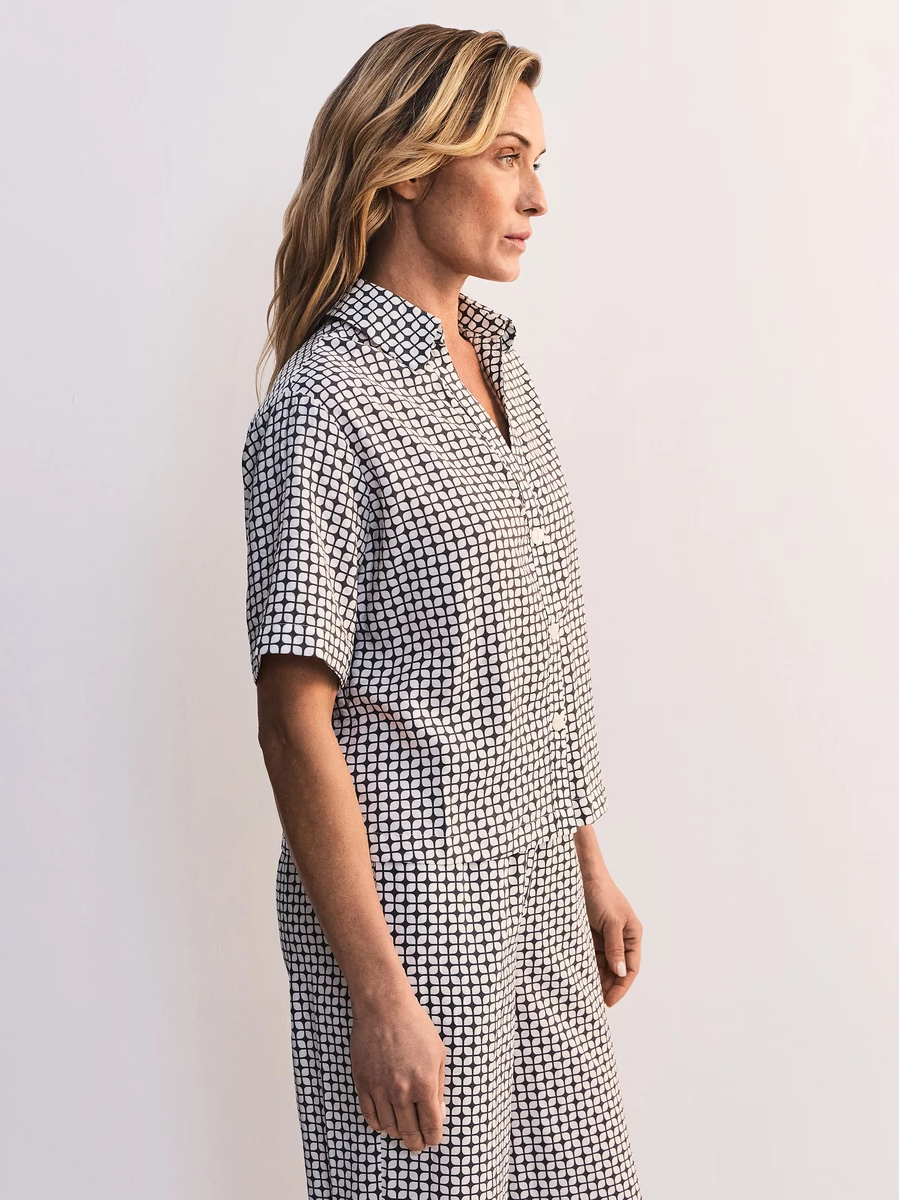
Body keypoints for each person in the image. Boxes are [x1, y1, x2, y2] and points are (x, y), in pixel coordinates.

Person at [242, 22, 644, 1199]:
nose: (536, 197)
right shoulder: (325, 404)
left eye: (537, 163)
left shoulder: (501, 371)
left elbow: (532, 653)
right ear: (409, 167)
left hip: (540, 883)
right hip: (414, 910)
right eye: (507, 158)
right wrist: (375, 990)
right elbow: (292, 720)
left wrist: (584, 855)